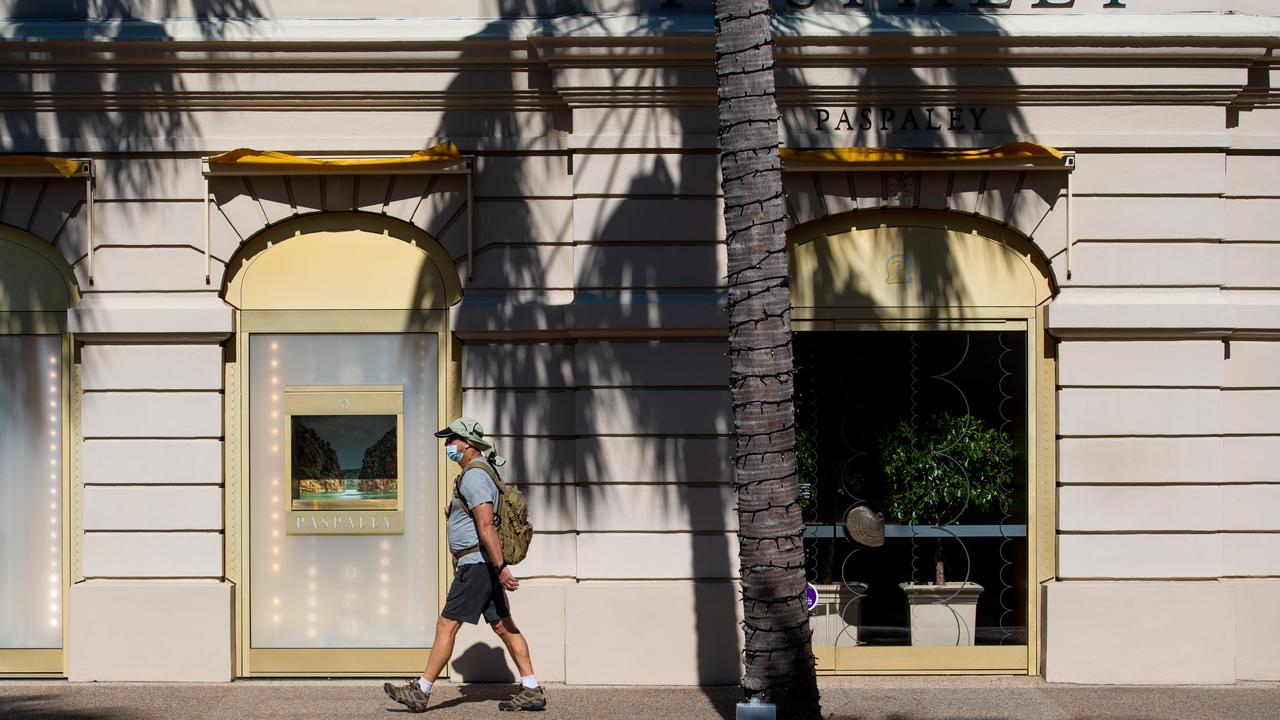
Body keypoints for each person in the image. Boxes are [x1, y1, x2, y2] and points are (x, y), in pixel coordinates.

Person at [383, 416, 546, 713]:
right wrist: (455, 516)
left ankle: (421, 691)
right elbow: (477, 519)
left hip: (477, 566)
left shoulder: (474, 475)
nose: (447, 445)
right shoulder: (481, 474)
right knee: (503, 627)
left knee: (446, 624)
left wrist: (499, 568)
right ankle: (532, 688)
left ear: (468, 443)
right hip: (482, 564)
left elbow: (486, 525)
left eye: (451, 440)